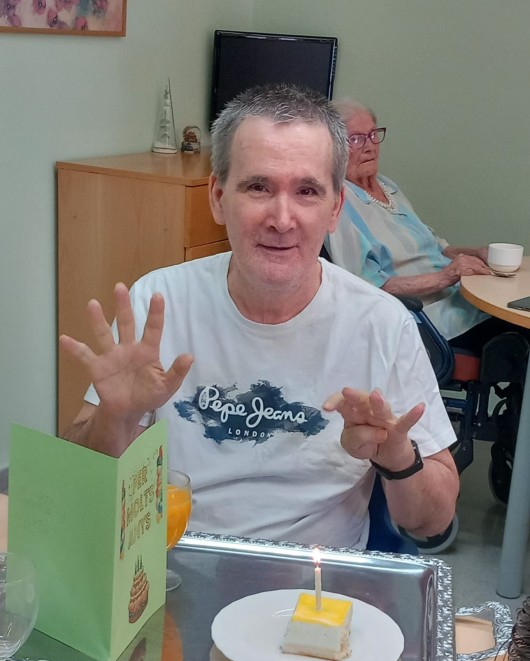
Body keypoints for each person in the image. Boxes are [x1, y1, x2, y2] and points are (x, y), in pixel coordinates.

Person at [60, 84, 459, 549]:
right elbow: (76, 489)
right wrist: (114, 418)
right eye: (258, 187)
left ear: (335, 208)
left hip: (314, 580)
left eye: (307, 191)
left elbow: (432, 522)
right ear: (217, 196)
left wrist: (397, 458)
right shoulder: (159, 303)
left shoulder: (383, 325)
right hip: (172, 563)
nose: (282, 219)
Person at [325, 99, 521, 353]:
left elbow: (436, 246)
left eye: (373, 135)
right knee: (517, 324)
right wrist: (445, 276)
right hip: (424, 320)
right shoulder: (338, 203)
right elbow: (367, 286)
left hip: (456, 298)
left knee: (516, 304)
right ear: (333, 148)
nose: (370, 146)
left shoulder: (387, 186)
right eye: (356, 139)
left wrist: (476, 253)